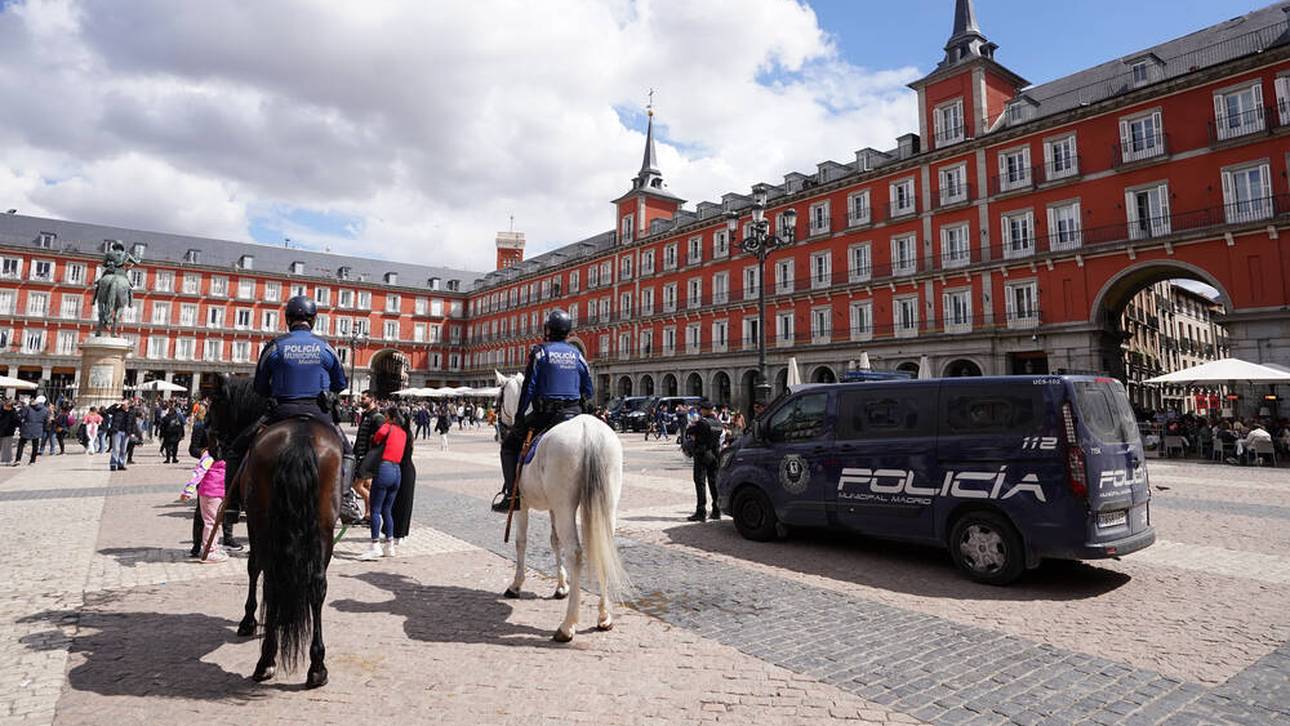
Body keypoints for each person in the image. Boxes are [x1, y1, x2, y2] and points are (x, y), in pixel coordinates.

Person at [239, 295, 359, 522]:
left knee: (240, 448)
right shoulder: (326, 348)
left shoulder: (274, 347)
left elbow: (260, 386)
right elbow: (341, 384)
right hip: (318, 414)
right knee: (348, 452)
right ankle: (344, 499)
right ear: (313, 320)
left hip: (280, 413)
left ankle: (233, 504)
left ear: (287, 319)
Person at [494, 309, 593, 512]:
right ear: (568, 331)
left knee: (509, 446)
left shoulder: (540, 352)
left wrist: (520, 417)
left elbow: (529, 388)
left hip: (546, 414)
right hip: (574, 413)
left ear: (548, 330)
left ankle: (513, 495)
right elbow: (589, 390)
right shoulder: (578, 355)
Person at [359, 406, 407, 561]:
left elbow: (377, 438)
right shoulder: (403, 432)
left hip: (384, 468)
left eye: (386, 415)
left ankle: (374, 545)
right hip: (397, 471)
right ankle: (389, 544)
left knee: (375, 509)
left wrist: (374, 437)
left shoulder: (388, 427)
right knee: (387, 509)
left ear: (391, 417)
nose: (384, 418)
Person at [180, 439, 228, 563]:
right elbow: (199, 473)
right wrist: (188, 491)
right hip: (209, 492)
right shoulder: (208, 456)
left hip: (219, 492)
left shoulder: (225, 454)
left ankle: (213, 546)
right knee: (211, 522)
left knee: (216, 522)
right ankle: (209, 551)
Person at [685, 400, 724, 522]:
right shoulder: (718, 423)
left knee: (700, 482)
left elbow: (689, 432)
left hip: (702, 454)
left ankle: (701, 511)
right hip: (715, 455)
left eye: (701, 409)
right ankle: (716, 510)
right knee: (713, 482)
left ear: (706, 410)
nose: (699, 411)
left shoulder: (702, 423)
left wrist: (692, 427)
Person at [17, 395, 51, 465]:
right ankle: (32, 460)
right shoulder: (45, 410)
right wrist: (44, 427)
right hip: (38, 428)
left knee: (21, 444)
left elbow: (22, 415)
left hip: (27, 426)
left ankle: (18, 459)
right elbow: (47, 421)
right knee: (35, 445)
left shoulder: (28, 407)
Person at [0, 399, 18, 465]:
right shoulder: (2, 411)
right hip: (4, 431)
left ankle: (7, 460)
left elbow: (16, 421)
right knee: (5, 446)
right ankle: (6, 460)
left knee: (7, 446)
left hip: (8, 432)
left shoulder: (13, 411)